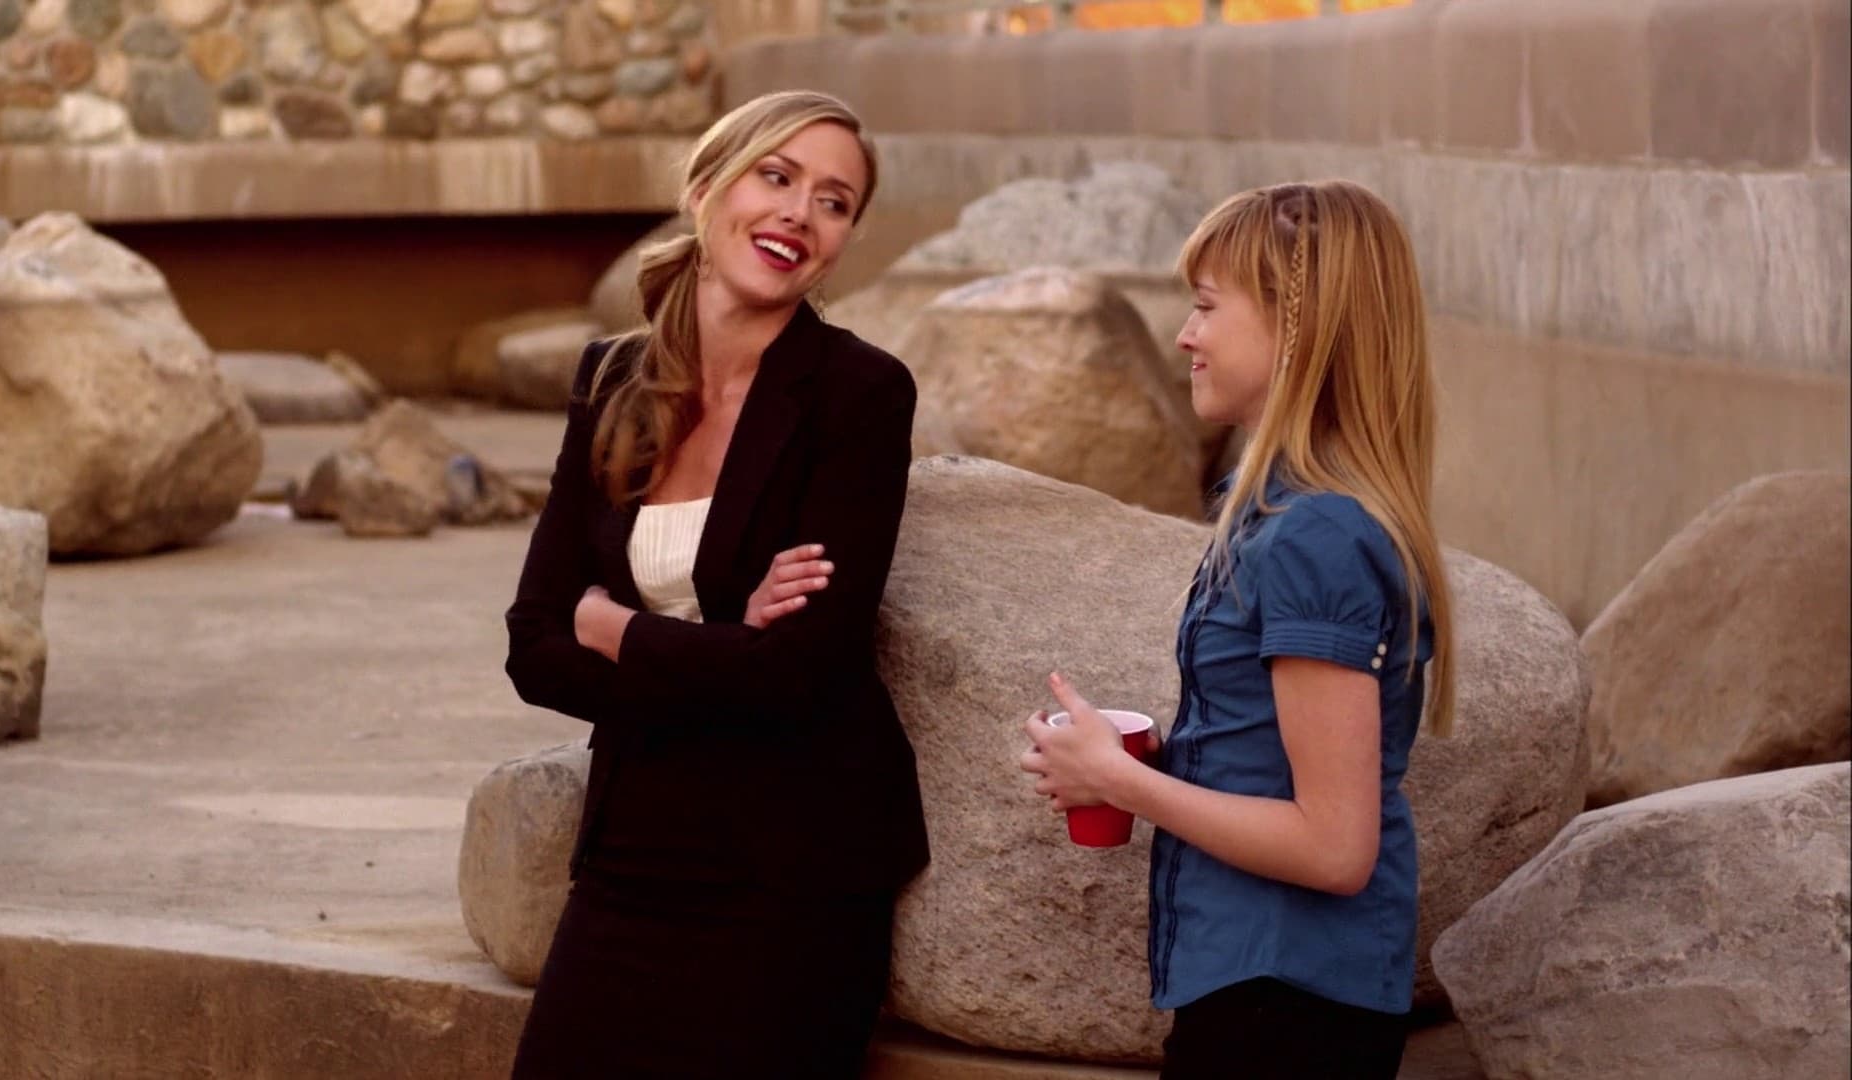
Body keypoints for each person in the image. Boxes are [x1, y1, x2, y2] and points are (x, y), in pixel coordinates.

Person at [503, 90, 929, 1080]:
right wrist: (730, 642)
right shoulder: (609, 378)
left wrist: (616, 630)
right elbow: (532, 645)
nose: (799, 213)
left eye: (834, 202)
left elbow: (801, 675)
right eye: (776, 177)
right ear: (705, 190)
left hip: (795, 867)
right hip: (633, 849)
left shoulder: (860, 393)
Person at [1019, 179, 1457, 1080]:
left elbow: (1334, 848)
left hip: (1287, 1006)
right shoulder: (1282, 514)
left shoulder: (1315, 536)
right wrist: (1162, 758)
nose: (1186, 335)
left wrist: (1121, 782)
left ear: (1298, 330)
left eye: (1207, 306)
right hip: (1267, 991)